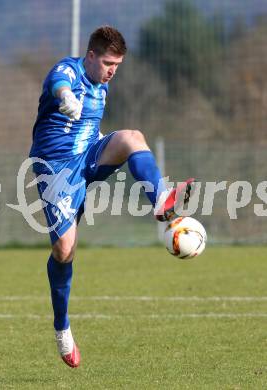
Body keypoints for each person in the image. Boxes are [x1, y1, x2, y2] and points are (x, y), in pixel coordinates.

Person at [29, 26, 195, 368]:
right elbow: (58, 83)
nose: (112, 71)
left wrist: (109, 146)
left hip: (90, 154)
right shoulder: (68, 71)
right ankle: (62, 328)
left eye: (117, 65)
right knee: (64, 250)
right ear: (90, 55)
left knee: (133, 136)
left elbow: (92, 129)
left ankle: (163, 204)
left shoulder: (102, 85)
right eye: (107, 63)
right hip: (57, 171)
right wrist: (65, 98)